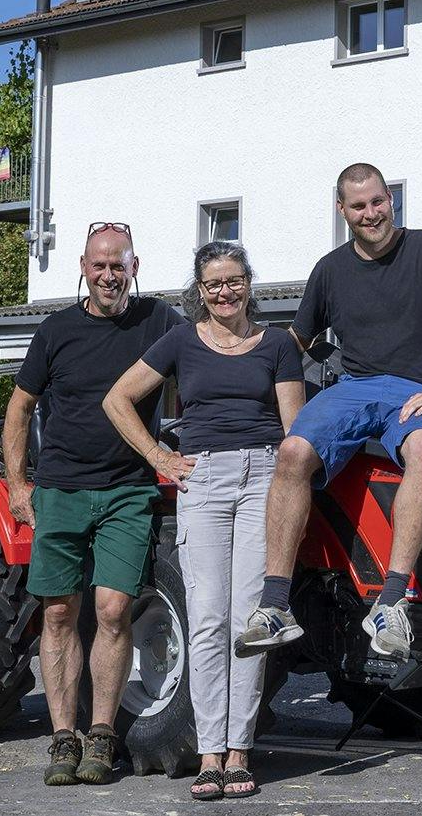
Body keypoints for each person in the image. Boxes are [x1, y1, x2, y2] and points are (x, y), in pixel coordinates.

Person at [236, 163, 422, 662]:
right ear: (342, 211)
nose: (371, 213)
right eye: (359, 206)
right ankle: (274, 606)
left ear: (390, 199)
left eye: (379, 201)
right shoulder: (330, 270)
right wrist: (236, 362)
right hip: (355, 389)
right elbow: (296, 342)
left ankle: (392, 603)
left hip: (419, 390)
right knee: (292, 452)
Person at [103, 241, 303, 801]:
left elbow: (294, 429)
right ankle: (208, 754)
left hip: (263, 477)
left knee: (248, 619)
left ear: (249, 283)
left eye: (234, 280)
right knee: (208, 620)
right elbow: (118, 399)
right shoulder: (181, 341)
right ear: (199, 290)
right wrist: (159, 457)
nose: (225, 292)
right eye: (213, 284)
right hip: (204, 481)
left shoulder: (279, 345)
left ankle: (240, 751)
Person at [1, 222, 184, 787]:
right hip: (60, 488)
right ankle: (63, 737)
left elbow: (199, 363)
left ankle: (102, 735)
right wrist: (17, 484)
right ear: (83, 266)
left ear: (135, 266)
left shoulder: (158, 321)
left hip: (128, 489)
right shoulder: (55, 330)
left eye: (119, 264)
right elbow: (19, 409)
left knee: (111, 610)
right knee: (57, 613)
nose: (109, 275)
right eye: (100, 265)